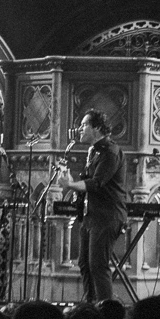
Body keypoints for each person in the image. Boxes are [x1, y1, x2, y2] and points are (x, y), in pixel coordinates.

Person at [59, 109, 127, 303]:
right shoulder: (93, 151)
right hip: (91, 216)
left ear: (96, 128)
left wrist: (70, 185)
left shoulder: (111, 152)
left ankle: (105, 310)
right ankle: (90, 305)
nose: (80, 129)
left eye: (84, 125)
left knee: (98, 265)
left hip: (107, 216)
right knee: (85, 264)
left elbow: (96, 183)